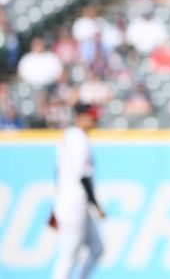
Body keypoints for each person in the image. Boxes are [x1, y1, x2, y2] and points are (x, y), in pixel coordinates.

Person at [51, 103, 106, 279]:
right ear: (81, 117)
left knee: (97, 248)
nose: (94, 120)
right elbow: (83, 176)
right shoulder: (78, 138)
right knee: (69, 255)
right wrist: (96, 205)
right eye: (91, 116)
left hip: (72, 201)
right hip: (74, 203)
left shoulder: (70, 136)